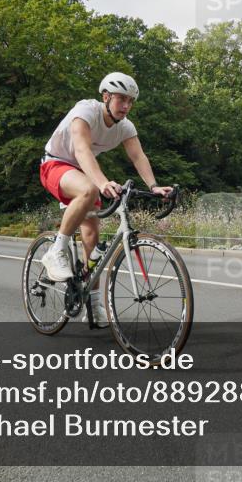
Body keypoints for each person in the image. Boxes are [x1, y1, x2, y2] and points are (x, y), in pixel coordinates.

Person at [38, 72, 172, 326]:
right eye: (121, 99)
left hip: (82, 173)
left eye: (130, 101)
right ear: (106, 97)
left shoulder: (125, 127)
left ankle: (94, 305)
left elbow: (138, 156)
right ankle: (56, 251)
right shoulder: (85, 111)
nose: (126, 106)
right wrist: (101, 183)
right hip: (55, 164)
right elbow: (81, 150)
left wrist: (154, 186)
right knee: (89, 189)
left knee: (92, 241)